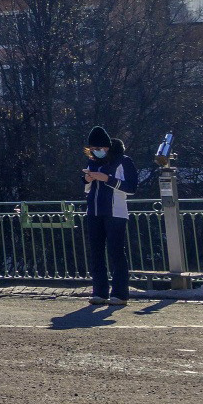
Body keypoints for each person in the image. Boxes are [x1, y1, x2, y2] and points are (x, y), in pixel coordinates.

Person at [82, 125, 137, 305]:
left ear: (108, 146)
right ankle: (100, 291)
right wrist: (87, 179)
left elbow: (131, 188)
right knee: (96, 252)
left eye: (100, 148)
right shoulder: (93, 162)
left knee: (116, 252)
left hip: (116, 212)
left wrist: (108, 179)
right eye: (93, 149)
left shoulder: (123, 161)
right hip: (94, 211)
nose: (97, 152)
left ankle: (120, 293)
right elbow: (87, 188)